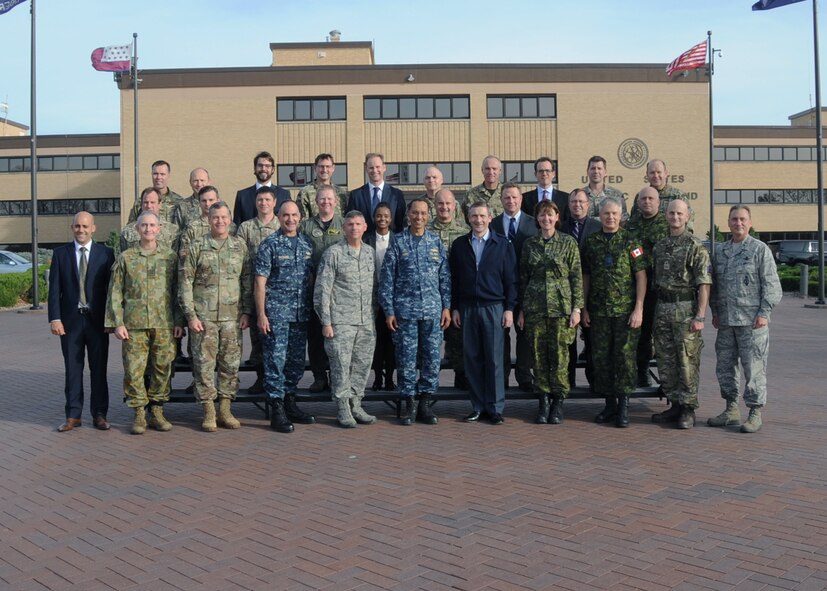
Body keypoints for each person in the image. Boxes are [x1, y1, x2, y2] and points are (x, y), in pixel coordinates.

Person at [105, 212, 184, 434]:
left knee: (162, 367)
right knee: (134, 369)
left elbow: (178, 292)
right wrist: (117, 322)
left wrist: (179, 321)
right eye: (144, 225)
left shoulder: (170, 257)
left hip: (164, 323)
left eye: (152, 225)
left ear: (159, 229)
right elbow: (115, 292)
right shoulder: (126, 257)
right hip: (134, 325)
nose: (148, 229)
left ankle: (157, 410)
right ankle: (139, 412)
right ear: (137, 229)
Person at [178, 201, 253, 432]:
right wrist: (190, 316)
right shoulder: (197, 246)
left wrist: (247, 311)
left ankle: (225, 410)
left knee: (230, 365)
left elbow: (246, 280)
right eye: (215, 217)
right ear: (208, 220)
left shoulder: (239, 246)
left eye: (223, 217)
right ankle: (209, 410)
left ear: (230, 220)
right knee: (204, 365)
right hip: (204, 318)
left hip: (231, 318)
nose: (219, 221)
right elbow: (185, 283)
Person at [709, 205, 782, 433]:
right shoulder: (720, 251)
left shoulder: (759, 250)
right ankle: (731, 408)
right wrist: (715, 311)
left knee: (754, 368)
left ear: (749, 222)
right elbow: (714, 285)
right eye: (734, 219)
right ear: (728, 223)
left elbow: (772, 286)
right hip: (727, 322)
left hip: (752, 322)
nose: (738, 223)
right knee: (725, 367)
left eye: (742, 219)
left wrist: (764, 313)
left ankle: (754, 412)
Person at [379, 198, 451, 426]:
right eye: (415, 213)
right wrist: (389, 310)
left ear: (428, 216)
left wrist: (447, 307)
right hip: (405, 312)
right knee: (406, 360)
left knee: (431, 358)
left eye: (423, 213)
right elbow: (387, 278)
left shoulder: (435, 242)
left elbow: (444, 278)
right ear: (408, 215)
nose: (419, 217)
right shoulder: (398, 242)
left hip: (432, 312)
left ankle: (425, 403)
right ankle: (409, 402)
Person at [581, 198, 646, 428]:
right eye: (606, 214)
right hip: (599, 311)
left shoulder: (631, 242)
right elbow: (586, 276)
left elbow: (641, 276)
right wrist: (584, 307)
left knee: (625, 358)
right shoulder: (591, 242)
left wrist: (639, 308)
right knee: (602, 358)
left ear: (621, 216)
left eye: (614, 214)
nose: (610, 217)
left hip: (625, 312)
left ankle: (624, 406)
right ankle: (609, 405)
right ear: (600, 216)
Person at [451, 201, 517, 425]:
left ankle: (495, 408)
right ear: (468, 219)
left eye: (482, 216)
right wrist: (456, 307)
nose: (478, 220)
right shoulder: (460, 245)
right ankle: (477, 406)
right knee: (473, 359)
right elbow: (455, 279)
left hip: (494, 307)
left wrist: (509, 308)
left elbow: (511, 280)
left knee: (494, 359)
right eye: (474, 216)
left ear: (490, 218)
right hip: (468, 308)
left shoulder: (502, 244)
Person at [517, 200, 583, 424]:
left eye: (550, 215)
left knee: (559, 356)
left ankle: (558, 401)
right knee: (538, 355)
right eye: (542, 215)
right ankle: (543, 400)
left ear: (557, 218)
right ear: (537, 219)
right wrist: (522, 311)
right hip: (535, 308)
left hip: (561, 309)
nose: (546, 219)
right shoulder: (530, 244)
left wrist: (577, 309)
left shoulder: (568, 242)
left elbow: (576, 277)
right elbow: (523, 278)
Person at [48, 211, 115, 432]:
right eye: (77, 226)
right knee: (73, 369)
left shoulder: (106, 254)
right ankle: (73, 415)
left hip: (97, 323)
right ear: (72, 228)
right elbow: (54, 290)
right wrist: (55, 318)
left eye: (85, 226)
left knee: (99, 370)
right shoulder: (61, 254)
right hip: (70, 323)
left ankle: (99, 414)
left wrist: (111, 319)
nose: (81, 230)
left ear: (93, 228)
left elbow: (112, 291)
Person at [254, 200, 317, 433]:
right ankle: (276, 407)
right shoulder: (269, 245)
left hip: (301, 314)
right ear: (278, 217)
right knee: (275, 362)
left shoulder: (306, 244)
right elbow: (260, 283)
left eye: (294, 215)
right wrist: (261, 314)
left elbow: (310, 280)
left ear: (300, 217)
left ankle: (290, 401)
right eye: (285, 215)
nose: (290, 219)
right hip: (277, 314)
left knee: (295, 362)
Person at [650, 200, 711, 429]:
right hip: (663, 308)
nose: (675, 217)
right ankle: (674, 403)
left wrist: (700, 315)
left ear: (687, 217)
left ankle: (688, 408)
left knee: (687, 360)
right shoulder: (660, 246)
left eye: (679, 213)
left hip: (685, 308)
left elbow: (704, 282)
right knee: (666, 360)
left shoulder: (695, 246)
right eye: (671, 213)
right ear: (666, 215)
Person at [314, 211, 377, 428]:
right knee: (341, 365)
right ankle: (342, 407)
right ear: (344, 228)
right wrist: (326, 322)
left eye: (358, 224)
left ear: (365, 227)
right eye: (350, 224)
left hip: (366, 321)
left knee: (361, 365)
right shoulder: (334, 253)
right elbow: (323, 289)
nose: (354, 228)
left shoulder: (369, 253)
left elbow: (375, 288)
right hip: (340, 322)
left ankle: (356, 403)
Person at [491, 183, 537, 391]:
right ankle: (503, 377)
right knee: (502, 333)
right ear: (501, 200)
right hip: (500, 289)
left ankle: (524, 377)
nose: (511, 201)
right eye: (507, 198)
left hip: (527, 286)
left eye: (515, 197)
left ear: (521, 199)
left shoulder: (533, 223)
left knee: (524, 334)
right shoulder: (494, 224)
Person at [235, 186, 281, 394]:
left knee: (277, 338)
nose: (263, 203)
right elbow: (241, 260)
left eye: (267, 200)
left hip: (279, 291)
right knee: (257, 336)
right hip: (255, 288)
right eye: (260, 200)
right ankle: (261, 377)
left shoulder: (281, 225)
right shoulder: (246, 228)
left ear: (274, 203)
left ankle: (278, 380)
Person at [300, 185, 345, 393]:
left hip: (339, 290)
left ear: (336, 201)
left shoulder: (345, 225)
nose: (326, 202)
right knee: (316, 335)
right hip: (313, 289)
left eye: (329, 199)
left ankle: (337, 376)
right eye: (322, 199)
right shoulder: (306, 226)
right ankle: (319, 376)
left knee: (337, 335)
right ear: (316, 202)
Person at [624, 186, 669, 387]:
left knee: (660, 333)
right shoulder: (631, 225)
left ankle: (667, 379)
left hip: (661, 286)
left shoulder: (667, 223)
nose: (647, 202)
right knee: (639, 332)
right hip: (636, 284)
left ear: (659, 202)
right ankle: (641, 371)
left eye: (651, 198)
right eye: (643, 199)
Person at [427, 189, 470, 389]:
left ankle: (461, 389)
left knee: (460, 344)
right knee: (431, 347)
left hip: (457, 296)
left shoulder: (465, 232)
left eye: (448, 204)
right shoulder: (425, 231)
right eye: (440, 204)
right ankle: (429, 392)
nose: (444, 207)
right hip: (430, 298)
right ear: (434, 206)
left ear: (455, 206)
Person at [560, 188, 601, 388]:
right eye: (574, 202)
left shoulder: (597, 227)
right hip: (564, 293)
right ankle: (569, 383)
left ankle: (594, 381)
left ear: (588, 204)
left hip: (592, 292)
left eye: (581, 202)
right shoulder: (561, 227)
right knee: (568, 342)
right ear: (569, 205)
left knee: (592, 341)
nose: (577, 205)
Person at [363, 202, 396, 391]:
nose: (382, 219)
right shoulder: (366, 239)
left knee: (391, 341)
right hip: (371, 298)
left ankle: (390, 379)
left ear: (391, 219)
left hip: (392, 299)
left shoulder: (398, 239)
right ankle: (377, 379)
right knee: (375, 341)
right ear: (374, 218)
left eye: (386, 216)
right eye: (379, 215)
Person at [346, 153, 407, 233]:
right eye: (371, 168)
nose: (375, 171)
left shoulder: (396, 195)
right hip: (364, 242)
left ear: (384, 168)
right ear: (366, 169)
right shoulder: (356, 195)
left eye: (378, 167)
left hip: (390, 242)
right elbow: (351, 221)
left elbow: (400, 223)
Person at [232, 151, 291, 226]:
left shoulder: (284, 195)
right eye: (260, 165)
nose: (263, 169)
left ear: (273, 169)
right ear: (255, 168)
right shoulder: (242, 196)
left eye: (267, 166)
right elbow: (237, 225)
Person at [120, 187, 180, 252]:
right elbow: (120, 258)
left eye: (152, 202)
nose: (149, 206)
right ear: (141, 204)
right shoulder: (127, 232)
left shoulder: (173, 231)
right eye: (146, 202)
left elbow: (177, 258)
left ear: (159, 204)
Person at [296, 153, 349, 219]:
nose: (324, 170)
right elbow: (303, 221)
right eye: (321, 166)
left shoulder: (342, 193)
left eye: (328, 166)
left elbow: (346, 219)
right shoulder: (305, 193)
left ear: (333, 168)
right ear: (315, 168)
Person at [583, 156, 628, 220]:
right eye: (593, 168)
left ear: (605, 172)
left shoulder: (616, 194)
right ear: (587, 172)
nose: (596, 171)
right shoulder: (580, 195)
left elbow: (623, 220)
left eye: (599, 168)